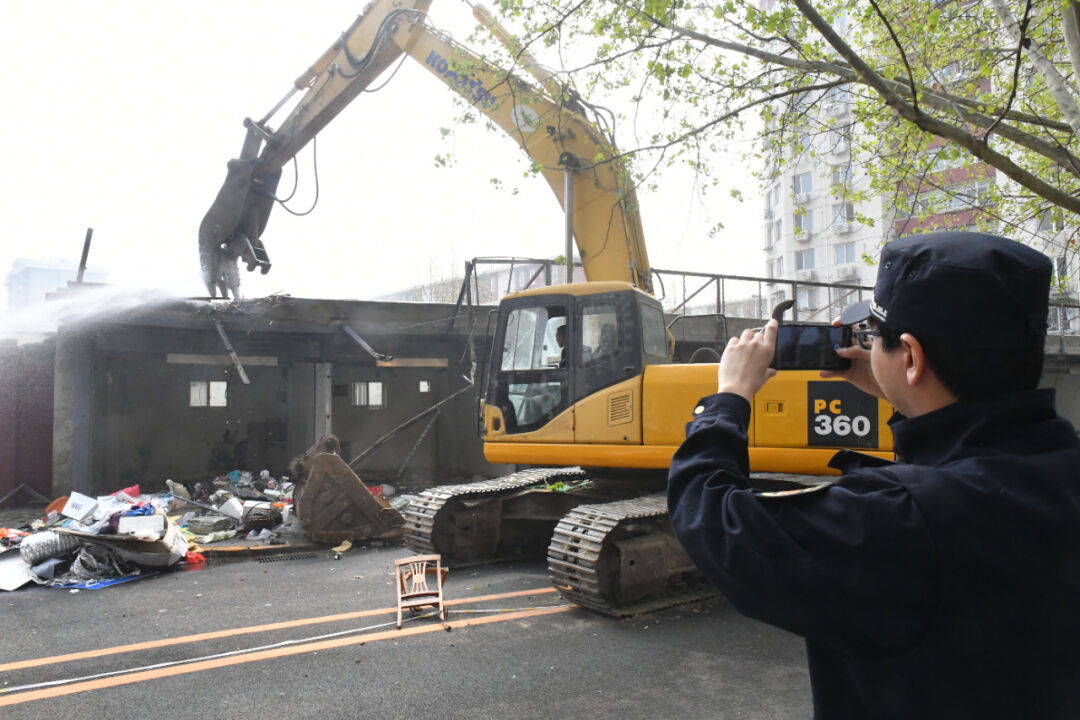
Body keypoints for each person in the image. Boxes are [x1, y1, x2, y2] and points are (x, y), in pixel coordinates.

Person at [667, 231, 1080, 719]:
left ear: (910, 356)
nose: (867, 348)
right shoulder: (1056, 467)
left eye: (875, 338)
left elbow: (714, 520)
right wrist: (903, 391)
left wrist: (728, 399)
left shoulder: (897, 518)